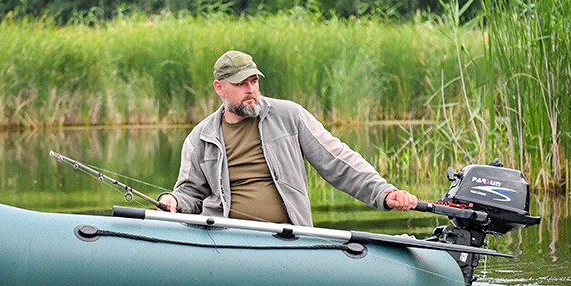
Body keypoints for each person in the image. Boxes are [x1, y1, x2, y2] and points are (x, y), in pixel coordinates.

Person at [159, 50, 419, 226]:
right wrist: (172, 200)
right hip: (226, 241)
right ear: (220, 87)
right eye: (241, 84)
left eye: (253, 81)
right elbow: (191, 194)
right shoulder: (199, 138)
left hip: (289, 237)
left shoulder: (289, 116)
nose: (251, 90)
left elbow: (338, 161)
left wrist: (384, 193)